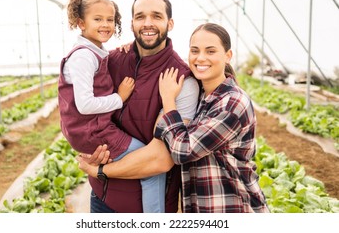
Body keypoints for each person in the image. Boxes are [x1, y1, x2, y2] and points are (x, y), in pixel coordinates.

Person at [78, 23, 269, 213]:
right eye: (195, 50)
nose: (201, 58)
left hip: (233, 208)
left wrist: (168, 100)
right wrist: (137, 46)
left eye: (210, 51)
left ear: (228, 56)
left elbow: (181, 151)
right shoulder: (203, 95)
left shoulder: (232, 104)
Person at [78, 0, 200, 213]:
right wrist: (90, 148)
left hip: (148, 208)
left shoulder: (182, 80)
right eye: (140, 16)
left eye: (156, 16)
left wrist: (101, 170)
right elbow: (84, 114)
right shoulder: (111, 61)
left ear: (170, 23)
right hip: (103, 200)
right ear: (132, 23)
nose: (148, 23)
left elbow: (160, 159)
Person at [58, 0, 168, 212]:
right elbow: (85, 105)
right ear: (81, 23)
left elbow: (102, 58)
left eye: (110, 19)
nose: (105, 25)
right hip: (94, 131)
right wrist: (120, 97)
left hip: (91, 129)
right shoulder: (83, 57)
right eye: (97, 19)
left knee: (139, 164)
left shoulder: (94, 51)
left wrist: (126, 47)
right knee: (151, 166)